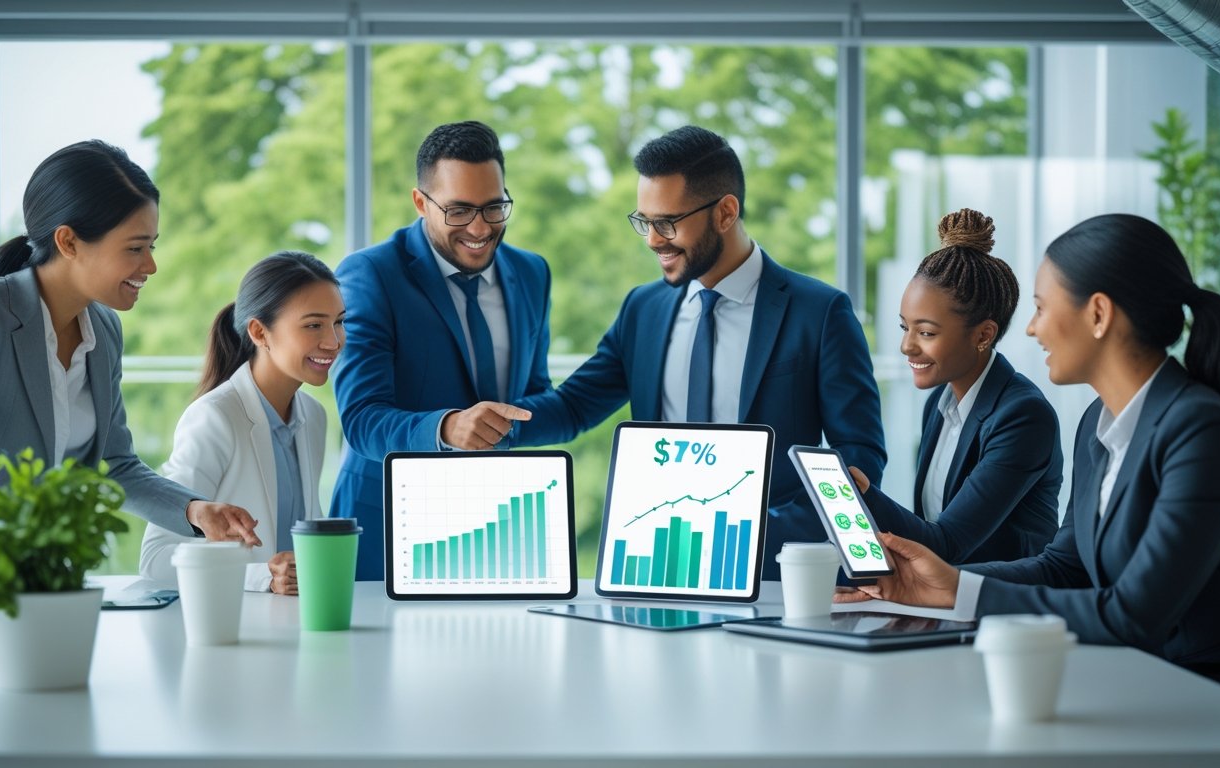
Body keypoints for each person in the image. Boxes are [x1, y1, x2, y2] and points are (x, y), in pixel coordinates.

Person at [840, 213, 1220, 696]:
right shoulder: (1098, 423)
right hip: (1134, 683)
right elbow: (1065, 567)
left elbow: (1134, 615)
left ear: (1098, 314)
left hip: (1210, 700)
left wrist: (961, 593)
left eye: (1041, 308)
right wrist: (943, 584)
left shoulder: (1202, 431)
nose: (1031, 329)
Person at [0, 140, 260, 660]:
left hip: (44, 603)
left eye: (152, 245)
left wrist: (195, 510)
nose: (151, 265)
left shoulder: (105, 331)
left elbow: (115, 466)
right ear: (69, 241)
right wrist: (17, 535)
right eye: (136, 247)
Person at [515, 125, 887, 579]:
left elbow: (860, 454)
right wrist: (495, 425)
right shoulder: (643, 309)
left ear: (725, 212)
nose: (653, 239)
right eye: (644, 222)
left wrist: (765, 534)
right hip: (659, 563)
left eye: (667, 223)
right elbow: (574, 405)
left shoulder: (819, 312)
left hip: (770, 573)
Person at [330, 121, 551, 580]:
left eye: (494, 207)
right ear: (420, 202)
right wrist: (448, 428)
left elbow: (533, 394)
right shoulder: (369, 274)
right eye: (458, 210)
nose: (480, 228)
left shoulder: (532, 273)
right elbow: (362, 419)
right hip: (387, 527)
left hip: (495, 528)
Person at [847, 208, 1061, 564]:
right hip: (941, 593)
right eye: (905, 328)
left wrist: (863, 492)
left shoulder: (1023, 416)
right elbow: (928, 529)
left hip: (1001, 598)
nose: (907, 346)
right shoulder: (939, 403)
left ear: (983, 335)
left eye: (926, 332)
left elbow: (947, 543)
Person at [139, 251, 344, 594]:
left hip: (295, 615)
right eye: (313, 325)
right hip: (236, 618)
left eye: (339, 322)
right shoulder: (214, 418)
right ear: (259, 332)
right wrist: (263, 576)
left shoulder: (313, 416)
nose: (334, 342)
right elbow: (156, 559)